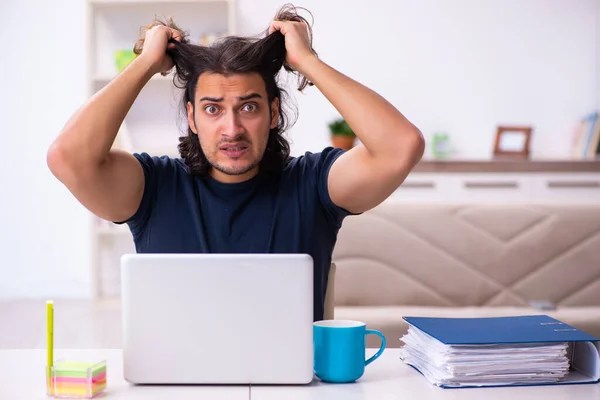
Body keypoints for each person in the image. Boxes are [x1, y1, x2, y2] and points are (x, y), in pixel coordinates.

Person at [47, 5, 424, 321]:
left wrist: (307, 62)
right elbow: (67, 157)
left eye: (248, 107)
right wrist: (146, 63)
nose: (232, 128)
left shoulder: (313, 184)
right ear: (192, 118)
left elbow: (401, 146)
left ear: (274, 112)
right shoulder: (154, 188)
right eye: (213, 109)